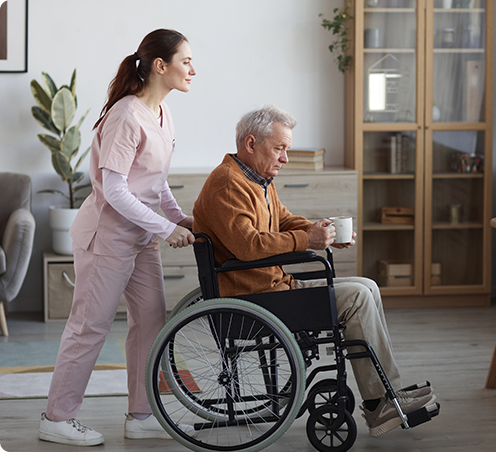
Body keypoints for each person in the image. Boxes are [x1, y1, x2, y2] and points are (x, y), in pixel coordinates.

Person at [193, 105, 437, 438]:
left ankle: (386, 394)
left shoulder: (258, 180)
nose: (285, 158)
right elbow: (249, 246)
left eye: (286, 149)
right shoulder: (228, 185)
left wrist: (320, 231)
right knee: (357, 297)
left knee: (367, 286)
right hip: (253, 300)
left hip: (274, 290)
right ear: (251, 144)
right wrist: (307, 239)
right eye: (279, 148)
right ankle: (380, 403)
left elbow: (284, 220)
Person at [38, 29, 196, 446]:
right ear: (160, 66)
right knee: (89, 326)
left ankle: (141, 414)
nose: (192, 70)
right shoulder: (126, 116)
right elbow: (115, 188)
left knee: (151, 323)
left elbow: (155, 182)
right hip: (106, 237)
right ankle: (56, 418)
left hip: (140, 238)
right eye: (186, 61)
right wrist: (167, 227)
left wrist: (181, 219)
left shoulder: (163, 114)